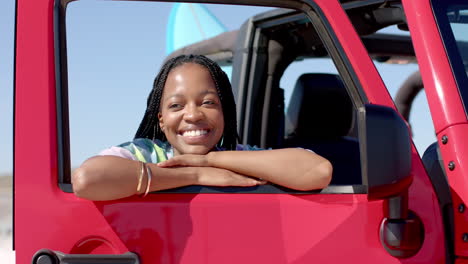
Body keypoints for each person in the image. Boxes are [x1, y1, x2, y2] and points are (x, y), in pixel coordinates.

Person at [72, 54, 332, 201]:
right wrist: (194, 176)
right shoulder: (142, 154)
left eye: (208, 102)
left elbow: (318, 170)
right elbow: (87, 180)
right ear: (160, 119)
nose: (193, 115)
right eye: (176, 106)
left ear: (224, 112)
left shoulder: (239, 156)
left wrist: (211, 160)